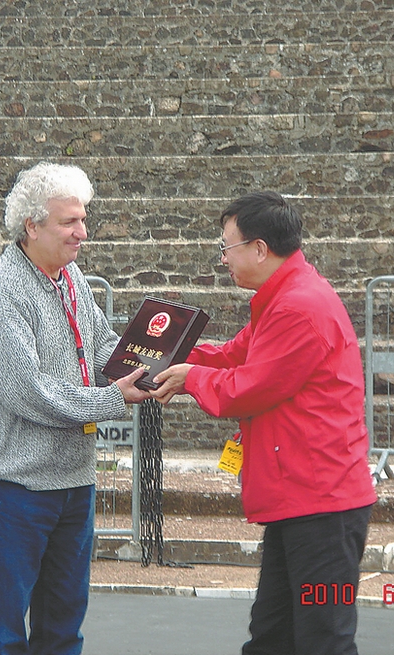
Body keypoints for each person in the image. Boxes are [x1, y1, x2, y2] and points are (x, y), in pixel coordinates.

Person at [150, 191, 377, 655]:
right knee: (276, 634)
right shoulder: (286, 296)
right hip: (305, 498)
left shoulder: (297, 306)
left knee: (322, 637)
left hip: (320, 504)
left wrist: (190, 377)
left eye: (226, 246)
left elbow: (248, 387)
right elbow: (234, 355)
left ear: (258, 248)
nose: (223, 258)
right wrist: (163, 356)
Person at [0, 161, 150, 655]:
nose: (82, 232)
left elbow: (103, 346)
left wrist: (151, 366)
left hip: (74, 482)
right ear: (32, 226)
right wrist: (114, 397)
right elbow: (26, 390)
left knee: (64, 631)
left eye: (83, 219)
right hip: (16, 487)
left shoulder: (72, 279)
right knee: (4, 636)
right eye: (70, 221)